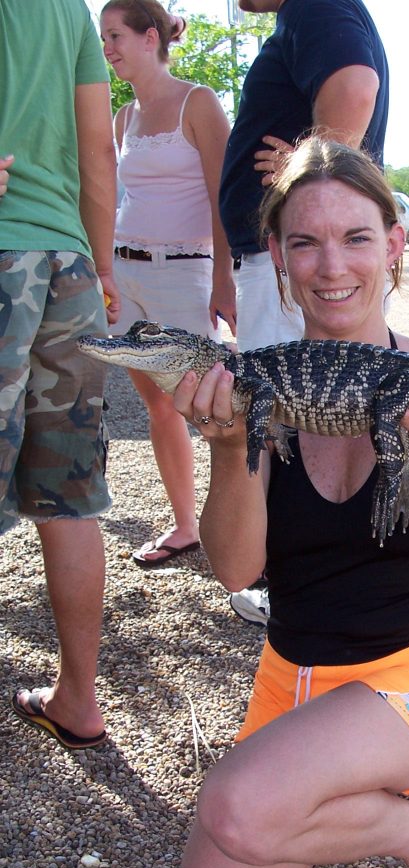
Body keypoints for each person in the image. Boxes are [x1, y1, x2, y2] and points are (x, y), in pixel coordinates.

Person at [172, 137, 409, 868]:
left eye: (356, 237)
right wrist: (225, 448)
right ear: (280, 259)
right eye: (305, 242)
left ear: (394, 244)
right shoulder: (256, 386)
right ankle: (375, 804)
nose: (332, 266)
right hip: (294, 675)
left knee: (238, 807)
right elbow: (234, 569)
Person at [220, 0, 388, 621]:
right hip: (274, 258)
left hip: (291, 264)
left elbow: (354, 85)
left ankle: (285, 578)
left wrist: (309, 173)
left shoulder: (313, 6)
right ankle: (335, 569)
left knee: (289, 426)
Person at [2, 0, 121, 749]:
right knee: (69, 499)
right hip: (68, 264)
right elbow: (98, 156)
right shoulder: (67, 10)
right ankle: (79, 698)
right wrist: (101, 266)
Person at [100, 0, 237, 568]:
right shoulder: (122, 117)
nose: (107, 49)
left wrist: (224, 281)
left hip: (187, 272)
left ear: (149, 36)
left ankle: (259, 530)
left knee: (213, 410)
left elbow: (224, 198)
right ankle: (185, 526)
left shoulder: (197, 102)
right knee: (157, 405)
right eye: (103, 39)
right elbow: (116, 198)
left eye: (114, 36)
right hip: (126, 272)